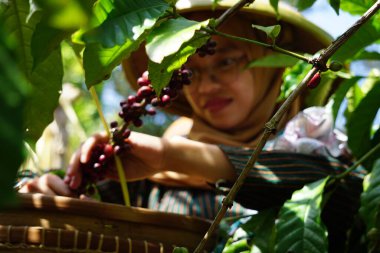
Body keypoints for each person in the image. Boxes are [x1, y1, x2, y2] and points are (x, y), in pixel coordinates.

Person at [19, 0, 366, 251]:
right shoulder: (142, 183)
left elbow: (341, 189)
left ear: (270, 63)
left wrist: (173, 156)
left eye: (227, 61)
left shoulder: (317, 146)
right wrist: (50, 192)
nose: (206, 86)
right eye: (190, 72)